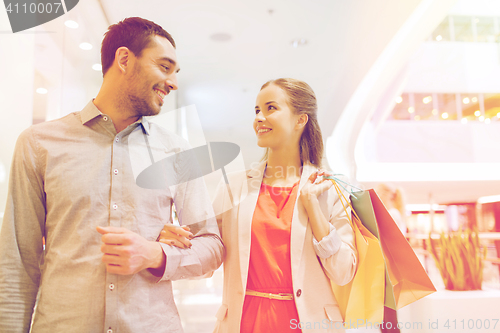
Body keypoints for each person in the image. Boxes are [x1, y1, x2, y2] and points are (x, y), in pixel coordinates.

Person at [0, 17, 223, 333]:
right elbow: (17, 264)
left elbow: (212, 246)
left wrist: (153, 253)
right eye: (164, 66)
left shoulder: (177, 152)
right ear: (124, 59)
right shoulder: (38, 144)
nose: (173, 82)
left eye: (175, 73)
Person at [161, 78, 357, 332]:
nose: (259, 118)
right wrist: (175, 239)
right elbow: (205, 251)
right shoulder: (234, 186)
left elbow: (344, 272)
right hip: (245, 322)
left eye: (270, 108)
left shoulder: (329, 190)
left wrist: (314, 210)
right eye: (256, 110)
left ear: (301, 120)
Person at [376, 183, 407, 333]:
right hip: (389, 265)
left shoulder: (392, 213)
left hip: (387, 265)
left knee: (387, 306)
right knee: (386, 306)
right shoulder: (396, 212)